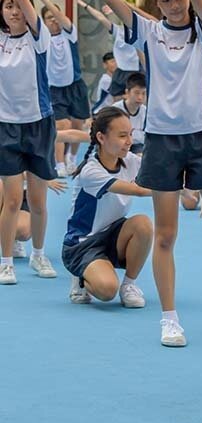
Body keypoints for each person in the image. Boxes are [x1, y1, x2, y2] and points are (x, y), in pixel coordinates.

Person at [34, 0, 202, 347]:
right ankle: (170, 318)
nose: (174, 4)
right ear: (156, 4)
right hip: (164, 143)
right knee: (165, 233)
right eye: (165, 0)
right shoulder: (147, 31)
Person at [0, 0, 58, 284]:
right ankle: (6, 261)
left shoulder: (39, 38)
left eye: (19, 6)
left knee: (37, 201)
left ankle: (38, 254)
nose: (15, 11)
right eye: (8, 6)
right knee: (11, 200)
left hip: (39, 125)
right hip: (6, 127)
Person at [63, 107, 153, 308]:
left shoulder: (130, 161)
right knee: (106, 291)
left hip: (113, 235)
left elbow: (160, 171)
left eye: (130, 134)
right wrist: (172, 190)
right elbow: (137, 190)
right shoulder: (90, 171)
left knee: (143, 224)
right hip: (82, 245)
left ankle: (129, 285)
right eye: (122, 136)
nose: (129, 141)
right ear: (101, 138)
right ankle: (80, 277)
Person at [29, 0, 91, 176]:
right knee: (61, 126)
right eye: (49, 18)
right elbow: (31, 19)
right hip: (54, 89)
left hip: (75, 86)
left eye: (56, 17)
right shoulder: (42, 37)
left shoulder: (68, 34)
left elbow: (61, 18)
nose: (54, 21)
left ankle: (72, 158)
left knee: (78, 125)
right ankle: (59, 163)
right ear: (44, 21)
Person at [77, 0, 143, 100]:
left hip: (135, 72)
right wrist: (84, 5)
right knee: (116, 103)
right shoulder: (117, 31)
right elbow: (101, 18)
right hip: (120, 72)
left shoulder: (140, 31)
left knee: (137, 100)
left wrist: (128, 5)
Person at [112, 72, 147, 154]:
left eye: (144, 93)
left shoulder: (146, 112)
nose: (140, 97)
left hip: (136, 146)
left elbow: (146, 138)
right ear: (127, 92)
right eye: (137, 93)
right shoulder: (115, 110)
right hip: (117, 144)